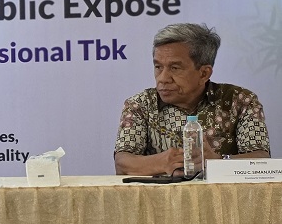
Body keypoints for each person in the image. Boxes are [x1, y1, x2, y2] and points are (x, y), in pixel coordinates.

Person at [114, 23, 270, 176]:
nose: (162, 78)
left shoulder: (240, 101)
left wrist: (217, 162)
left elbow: (261, 160)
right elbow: (122, 164)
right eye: (158, 67)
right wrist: (162, 163)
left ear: (204, 73)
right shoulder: (141, 104)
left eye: (175, 68)